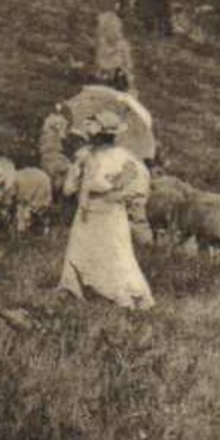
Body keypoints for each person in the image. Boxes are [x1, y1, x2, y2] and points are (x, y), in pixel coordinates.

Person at [59, 111, 154, 309]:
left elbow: (138, 182)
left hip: (108, 212)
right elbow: (70, 187)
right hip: (91, 211)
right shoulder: (87, 155)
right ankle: (77, 287)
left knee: (113, 251)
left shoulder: (117, 157)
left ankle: (119, 293)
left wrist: (118, 194)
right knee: (87, 248)